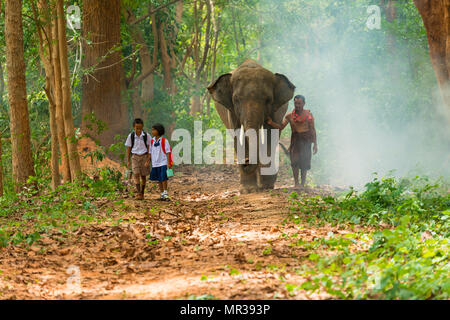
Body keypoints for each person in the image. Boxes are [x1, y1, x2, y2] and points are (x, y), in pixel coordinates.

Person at [267, 95, 318, 188]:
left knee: (304, 162)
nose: (297, 105)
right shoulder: (289, 116)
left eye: (299, 103)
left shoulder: (309, 115)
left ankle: (302, 184)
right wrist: (271, 123)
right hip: (295, 140)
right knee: (294, 162)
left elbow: (312, 130)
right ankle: (296, 184)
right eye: (295, 103)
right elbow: (281, 127)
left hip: (306, 140)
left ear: (304, 104)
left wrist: (315, 144)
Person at [125, 118, 151, 200]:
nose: (139, 130)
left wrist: (148, 159)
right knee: (136, 174)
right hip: (135, 157)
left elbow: (149, 148)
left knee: (143, 176)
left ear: (142, 127)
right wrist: (128, 160)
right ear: (134, 127)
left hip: (144, 156)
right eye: (137, 128)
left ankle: (142, 193)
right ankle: (138, 192)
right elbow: (129, 148)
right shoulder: (131, 136)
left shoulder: (147, 136)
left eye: (140, 128)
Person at [147, 123, 173, 200]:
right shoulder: (152, 141)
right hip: (155, 163)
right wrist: (148, 161)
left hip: (163, 162)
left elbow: (168, 152)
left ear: (158, 131)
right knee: (158, 179)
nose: (152, 131)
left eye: (153, 130)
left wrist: (168, 163)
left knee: (163, 178)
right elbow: (150, 152)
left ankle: (165, 193)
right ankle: (161, 194)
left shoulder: (164, 141)